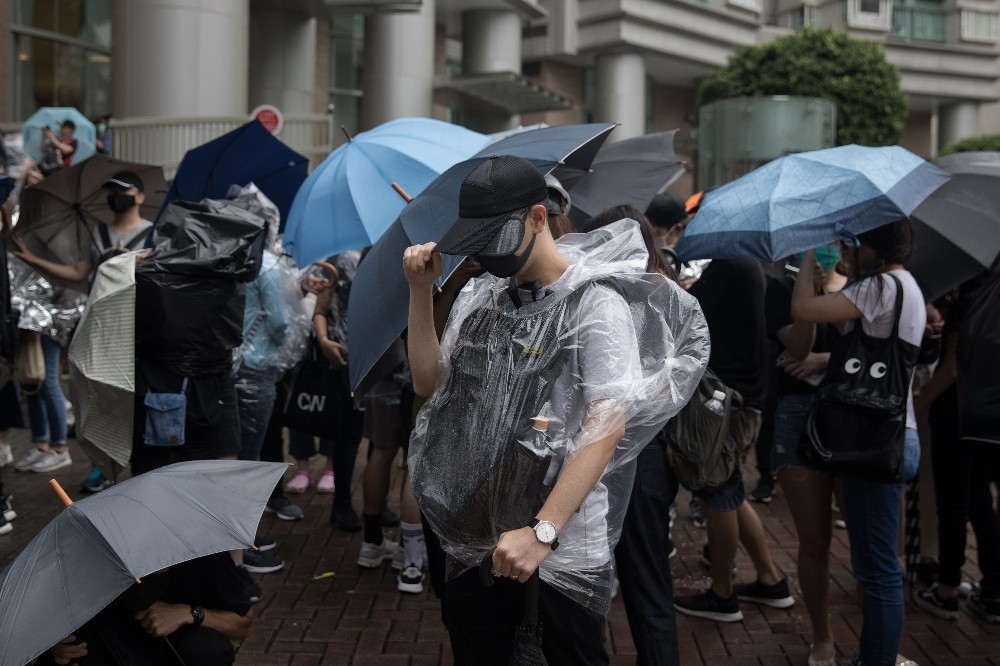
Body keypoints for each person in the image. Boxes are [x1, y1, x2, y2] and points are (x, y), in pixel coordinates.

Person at [403, 156, 707, 664]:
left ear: (538, 218)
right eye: (477, 241)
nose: (487, 254)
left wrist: (543, 531)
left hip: (560, 543)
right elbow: (428, 382)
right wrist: (419, 292)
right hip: (478, 531)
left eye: (496, 238)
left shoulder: (595, 304)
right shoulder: (483, 298)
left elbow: (607, 423)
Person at [791, 220, 925, 665]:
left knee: (878, 571)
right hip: (896, 433)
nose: (851, 250)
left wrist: (809, 253)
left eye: (857, 243)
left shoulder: (881, 285)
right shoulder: (906, 285)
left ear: (874, 246)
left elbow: (804, 309)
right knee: (877, 566)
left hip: (876, 441)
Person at [672, 249, 793, 623]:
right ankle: (770, 579)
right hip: (743, 396)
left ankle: (723, 594)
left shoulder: (728, 265)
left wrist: (673, 285)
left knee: (718, 493)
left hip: (726, 399)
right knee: (731, 491)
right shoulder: (747, 263)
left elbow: (687, 310)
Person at [584, 204, 682, 666]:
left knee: (596, 573)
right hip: (649, 452)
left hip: (624, 450)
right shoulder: (668, 289)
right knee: (647, 574)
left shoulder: (611, 295)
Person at [12, 171, 154, 487]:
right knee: (98, 393)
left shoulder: (152, 236)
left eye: (125, 191)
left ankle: (140, 466)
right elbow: (78, 274)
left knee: (136, 395)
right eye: (113, 192)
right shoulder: (98, 234)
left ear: (140, 197)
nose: (117, 198)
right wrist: (31, 258)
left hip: (137, 328)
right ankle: (102, 464)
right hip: (100, 327)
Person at [765, 246, 846, 665]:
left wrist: (825, 361)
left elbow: (870, 352)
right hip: (797, 415)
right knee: (814, 539)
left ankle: (879, 639)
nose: (825, 249)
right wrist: (808, 297)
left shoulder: (859, 288)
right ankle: (823, 636)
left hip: (851, 418)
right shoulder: (782, 289)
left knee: (867, 539)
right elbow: (797, 349)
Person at [38, 552, 252, 666]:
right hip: (116, 650)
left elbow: (242, 625)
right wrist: (56, 646)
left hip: (182, 651)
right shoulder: (97, 563)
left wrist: (189, 613)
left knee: (205, 647)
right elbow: (54, 627)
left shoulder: (206, 556)